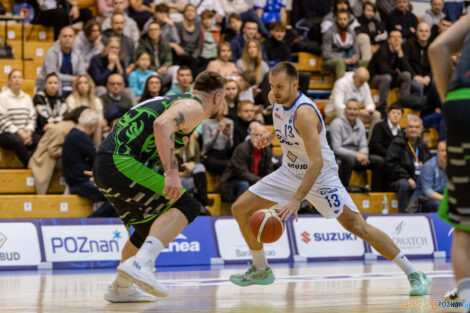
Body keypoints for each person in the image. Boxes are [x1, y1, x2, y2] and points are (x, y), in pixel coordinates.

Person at [229, 62, 431, 297]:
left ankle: (413, 272)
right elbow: (285, 123)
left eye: (280, 87)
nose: (274, 91)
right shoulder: (276, 97)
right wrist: (272, 133)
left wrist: (296, 200)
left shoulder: (305, 112)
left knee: (357, 226)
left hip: (320, 175)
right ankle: (261, 268)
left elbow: (316, 163)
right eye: (272, 86)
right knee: (240, 208)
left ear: (295, 85)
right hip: (289, 171)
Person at [92, 71, 226, 302]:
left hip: (111, 161)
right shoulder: (194, 107)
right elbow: (162, 124)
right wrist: (172, 173)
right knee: (189, 205)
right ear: (217, 96)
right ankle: (142, 263)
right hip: (120, 161)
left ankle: (121, 288)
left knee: (147, 229)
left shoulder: (173, 101)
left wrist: (103, 168)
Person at [428, 13, 470, 311]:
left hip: (460, 103)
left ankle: (467, 297)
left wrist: (449, 104)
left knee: (465, 225)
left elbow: (437, 48)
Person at [62, 109, 114, 217]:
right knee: (116, 196)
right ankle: (91, 221)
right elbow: (97, 158)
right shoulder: (80, 137)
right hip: (80, 183)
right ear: (92, 126)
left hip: (78, 181)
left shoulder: (74, 134)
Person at [29, 106, 88, 195]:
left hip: (54, 159)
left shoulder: (72, 126)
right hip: (45, 159)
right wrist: (71, 150)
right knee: (76, 160)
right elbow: (53, 151)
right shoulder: (65, 128)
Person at [329, 98, 383, 187]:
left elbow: (363, 145)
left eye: (355, 109)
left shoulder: (360, 124)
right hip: (340, 158)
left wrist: (363, 155)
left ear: (358, 111)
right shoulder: (336, 124)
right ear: (345, 110)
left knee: (379, 161)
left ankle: (375, 191)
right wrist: (356, 155)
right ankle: (344, 190)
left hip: (357, 158)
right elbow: (336, 148)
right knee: (349, 160)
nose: (352, 112)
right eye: (350, 109)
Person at [384, 115, 431, 213]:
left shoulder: (423, 145)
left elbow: (430, 163)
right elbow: (390, 164)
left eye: (417, 127)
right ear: (406, 129)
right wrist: (407, 177)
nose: (414, 129)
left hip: (418, 178)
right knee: (405, 185)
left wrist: (425, 165)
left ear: (421, 129)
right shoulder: (397, 143)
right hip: (398, 179)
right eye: (411, 127)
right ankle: (404, 215)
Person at [218, 122, 273, 202]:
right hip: (234, 180)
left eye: (261, 135)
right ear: (250, 135)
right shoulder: (242, 149)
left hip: (255, 179)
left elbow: (269, 169)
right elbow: (241, 172)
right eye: (256, 135)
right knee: (244, 184)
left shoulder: (267, 150)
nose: (258, 138)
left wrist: (267, 181)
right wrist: (260, 180)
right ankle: (243, 210)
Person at [368, 30, 412, 114]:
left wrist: (400, 53)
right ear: (388, 40)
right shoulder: (382, 50)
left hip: (391, 78)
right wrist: (396, 73)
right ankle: (382, 107)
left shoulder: (399, 51)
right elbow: (383, 70)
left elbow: (408, 70)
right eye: (393, 37)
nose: (396, 39)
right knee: (386, 77)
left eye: (399, 37)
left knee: (406, 75)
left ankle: (403, 105)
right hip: (374, 79)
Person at [0, 70, 38, 168]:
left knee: (41, 140)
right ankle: (30, 164)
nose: (17, 80)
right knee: (17, 140)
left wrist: (28, 134)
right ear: (9, 81)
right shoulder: (2, 97)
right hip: (6, 134)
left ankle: (34, 163)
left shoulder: (27, 98)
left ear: (22, 81)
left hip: (25, 133)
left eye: (20, 77)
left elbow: (32, 117)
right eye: (14, 77)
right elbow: (3, 120)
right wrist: (21, 134)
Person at [37, 27, 86, 96]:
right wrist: (71, 78)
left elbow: (82, 71)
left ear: (74, 38)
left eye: (70, 36)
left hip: (71, 84)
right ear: (59, 37)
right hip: (49, 85)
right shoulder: (52, 52)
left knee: (84, 84)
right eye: (64, 36)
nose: (67, 38)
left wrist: (80, 79)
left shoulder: (78, 52)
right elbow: (51, 74)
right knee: (55, 83)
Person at [369, 102, 403, 190]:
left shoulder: (401, 132)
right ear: (388, 114)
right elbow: (375, 144)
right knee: (383, 163)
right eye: (393, 113)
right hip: (380, 156)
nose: (396, 115)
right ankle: (377, 191)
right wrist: (389, 155)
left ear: (402, 116)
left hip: (393, 158)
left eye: (398, 113)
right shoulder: (380, 126)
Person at [408, 140, 446, 212]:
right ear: (437, 152)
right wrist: (446, 199)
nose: (445, 154)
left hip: (444, 197)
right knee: (438, 204)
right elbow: (427, 191)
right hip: (424, 199)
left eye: (447, 151)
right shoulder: (429, 166)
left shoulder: (453, 167)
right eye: (442, 151)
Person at [321, 10, 360, 79]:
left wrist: (355, 58)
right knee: (340, 63)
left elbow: (357, 51)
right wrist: (343, 60)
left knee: (366, 63)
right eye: (340, 19)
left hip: (349, 59)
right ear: (336, 20)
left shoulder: (352, 33)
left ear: (348, 20)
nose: (342, 22)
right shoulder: (329, 33)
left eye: (345, 19)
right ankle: (341, 88)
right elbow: (326, 54)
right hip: (330, 61)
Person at [202, 103, 234, 175]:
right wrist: (216, 133)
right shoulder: (206, 122)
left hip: (223, 155)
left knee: (232, 164)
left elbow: (229, 147)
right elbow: (207, 146)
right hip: (210, 154)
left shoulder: (229, 122)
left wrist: (229, 136)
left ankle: (222, 185)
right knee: (229, 166)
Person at [33, 73, 68, 137]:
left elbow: (64, 116)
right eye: (50, 83)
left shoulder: (62, 99)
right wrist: (55, 123)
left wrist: (54, 124)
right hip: (41, 129)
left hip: (57, 128)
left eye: (55, 83)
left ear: (58, 85)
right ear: (45, 85)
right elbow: (42, 120)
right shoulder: (39, 97)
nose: (53, 85)